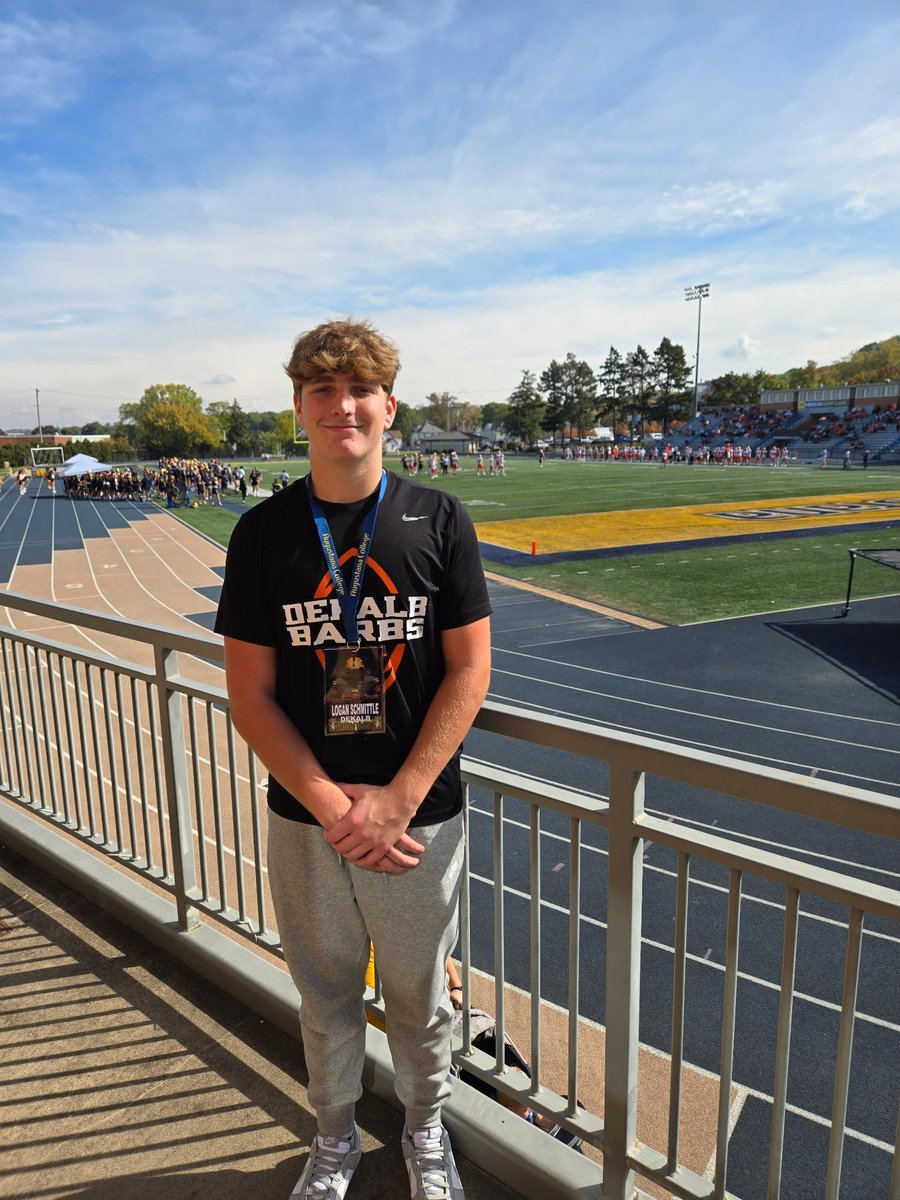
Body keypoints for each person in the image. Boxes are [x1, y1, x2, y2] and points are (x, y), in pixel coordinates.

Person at [215, 317, 492, 1200]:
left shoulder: (438, 516)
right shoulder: (262, 533)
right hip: (311, 817)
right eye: (324, 391)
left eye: (360, 390)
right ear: (298, 407)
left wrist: (401, 797)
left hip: (420, 820)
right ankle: (332, 1140)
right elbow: (250, 693)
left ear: (389, 406)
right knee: (325, 992)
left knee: (421, 999)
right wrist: (339, 807)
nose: (344, 406)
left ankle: (425, 1131)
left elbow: (470, 668)